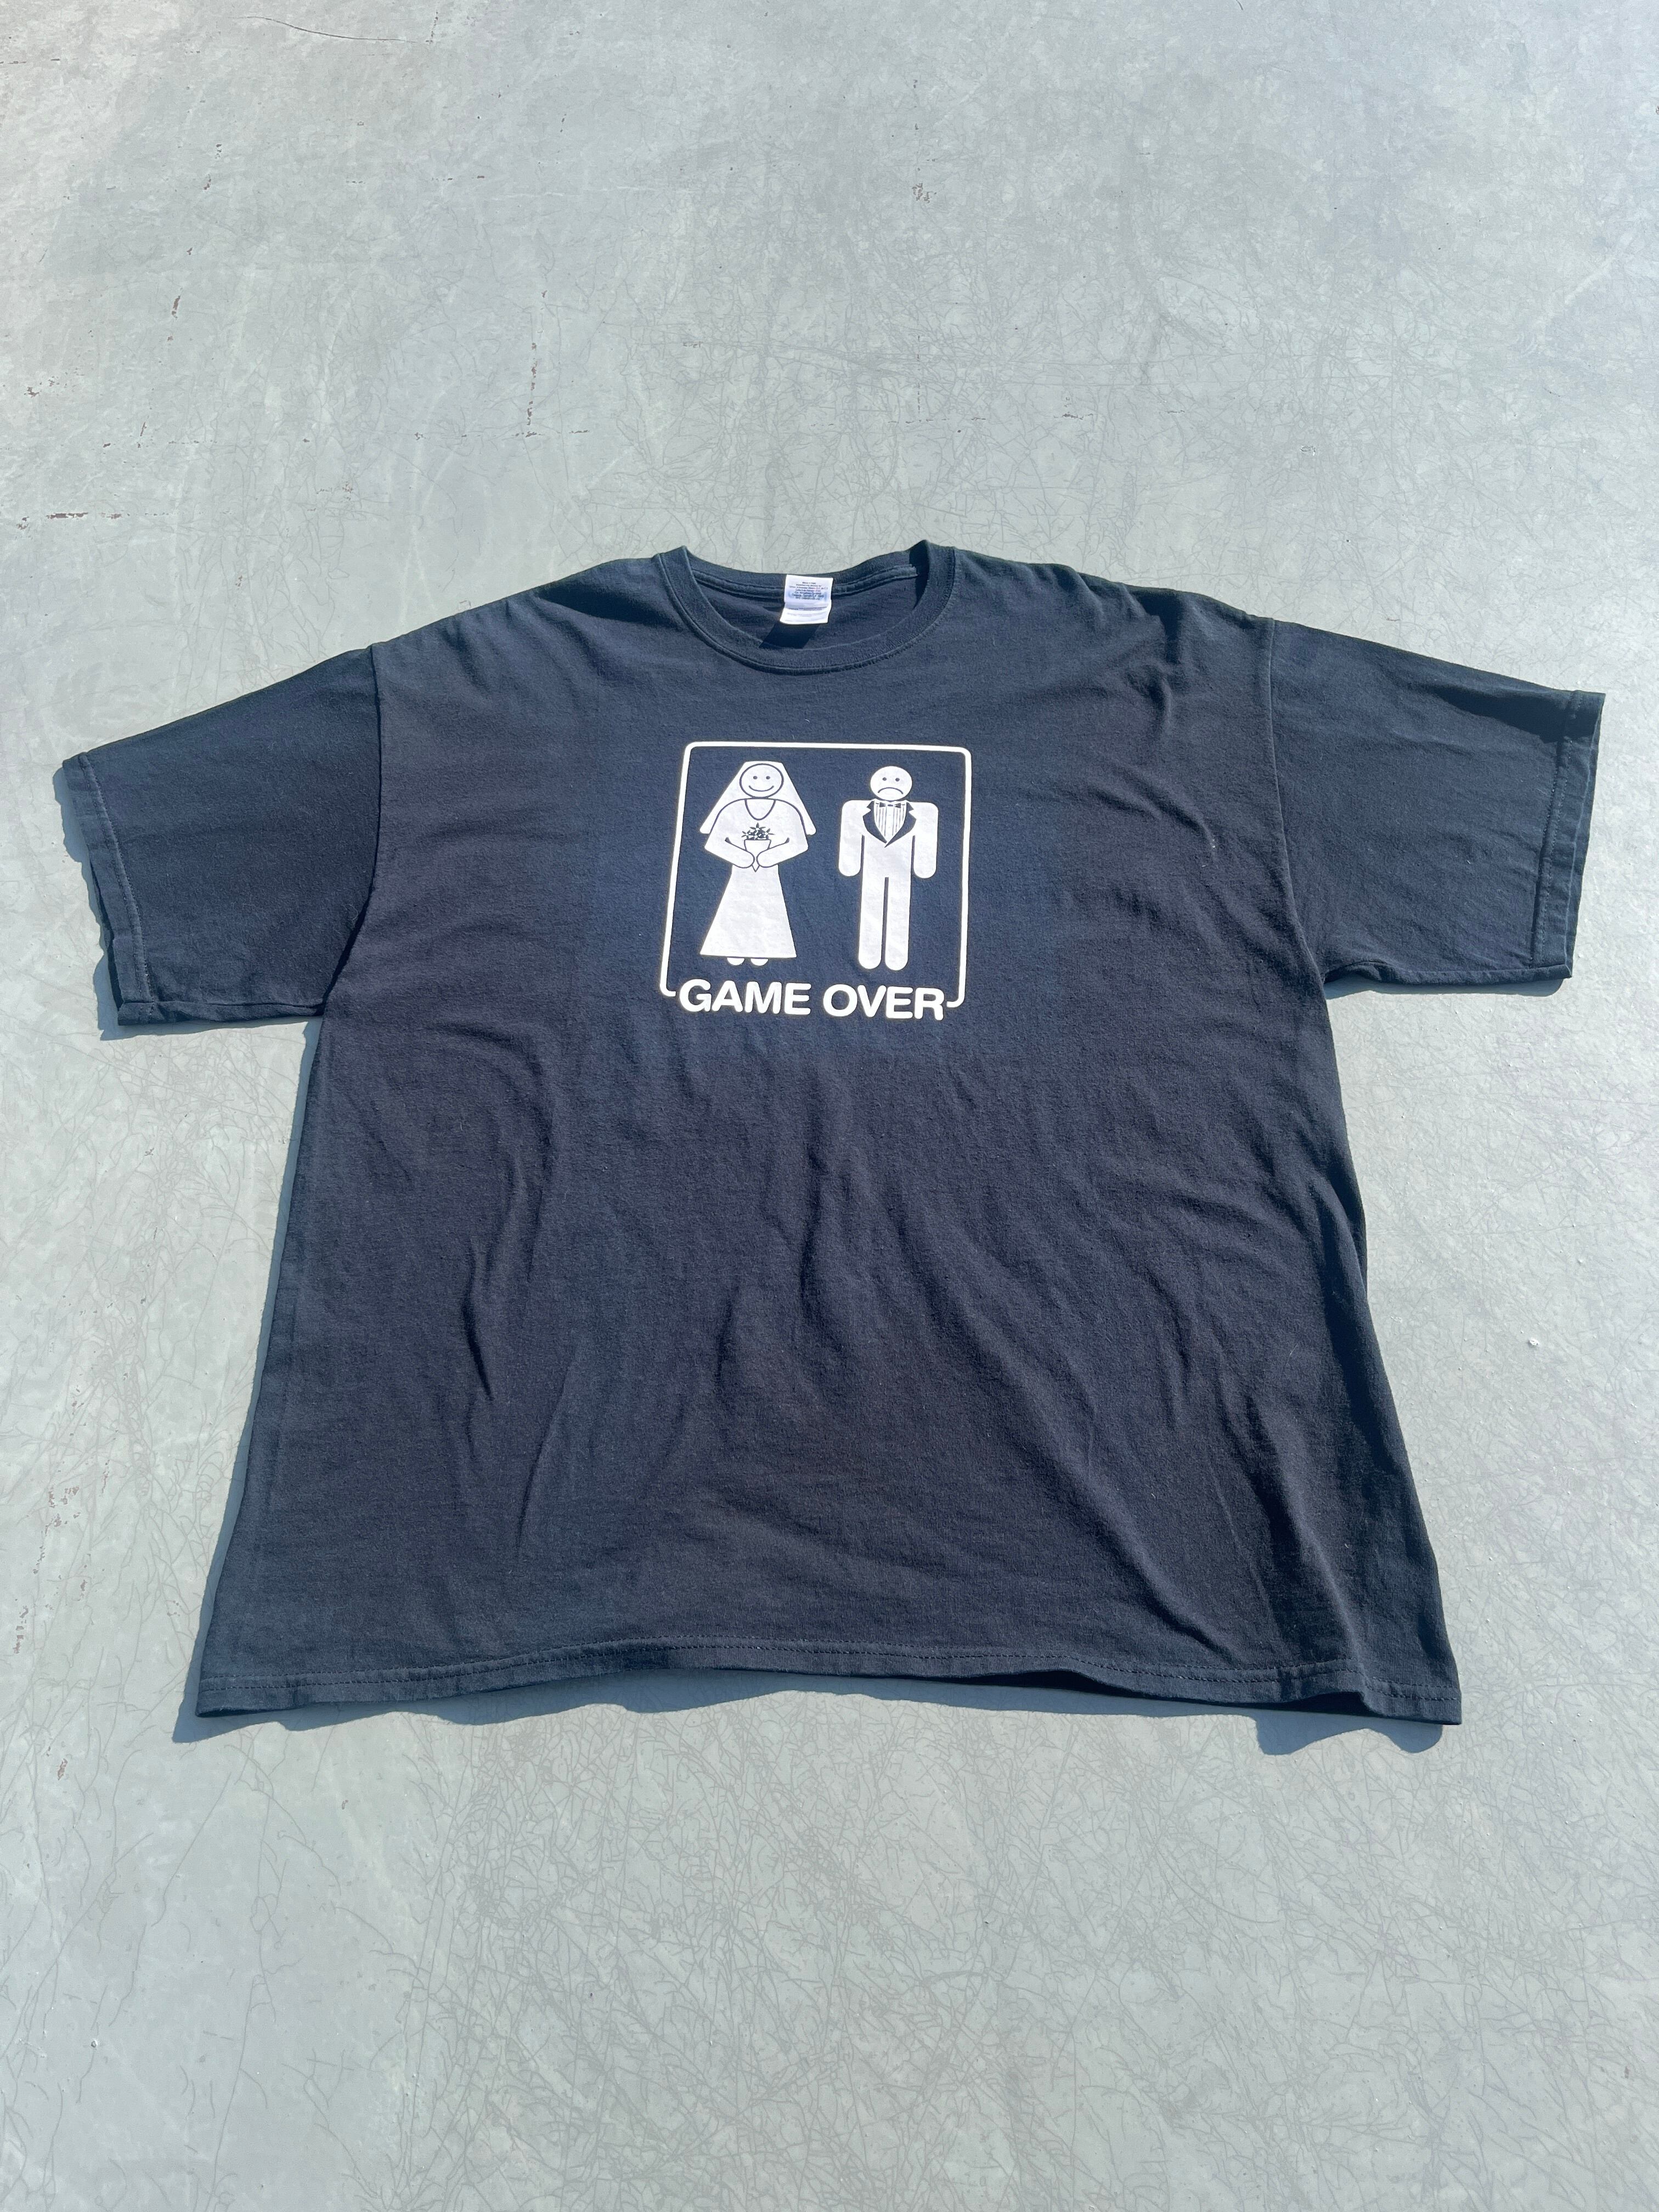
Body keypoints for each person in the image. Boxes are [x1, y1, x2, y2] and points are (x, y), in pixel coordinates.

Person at [698, 760, 816, 965]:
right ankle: (730, 947)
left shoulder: (788, 810)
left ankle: (766, 949)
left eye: (768, 777)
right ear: (743, 780)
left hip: (769, 873)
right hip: (740, 872)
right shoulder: (732, 809)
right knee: (735, 905)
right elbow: (714, 843)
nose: (761, 782)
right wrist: (741, 857)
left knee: (770, 906)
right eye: (754, 777)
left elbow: (799, 843)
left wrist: (768, 857)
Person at [838, 764, 938, 971]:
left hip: (903, 869)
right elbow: (851, 837)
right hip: (871, 867)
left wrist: (924, 866)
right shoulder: (856, 811)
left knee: (900, 909)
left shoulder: (923, 812)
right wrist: (850, 864)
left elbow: (926, 841)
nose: (891, 784)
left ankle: (897, 957)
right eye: (885, 779)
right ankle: (869, 954)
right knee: (870, 907)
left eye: (897, 780)